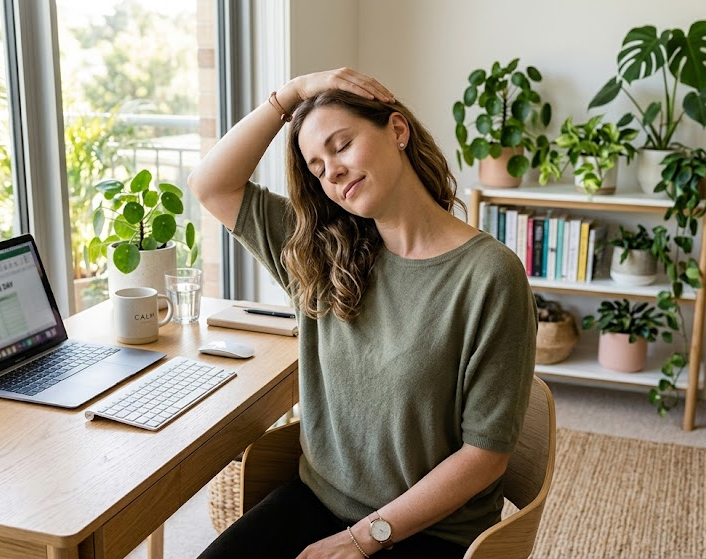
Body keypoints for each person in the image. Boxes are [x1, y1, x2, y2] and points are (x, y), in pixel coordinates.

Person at [189, 68, 537, 558]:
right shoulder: (319, 253)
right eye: (315, 167)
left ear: (397, 130)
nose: (330, 171)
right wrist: (292, 94)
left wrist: (363, 538)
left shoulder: (489, 275)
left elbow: (485, 455)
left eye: (341, 145)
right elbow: (211, 185)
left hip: (429, 531)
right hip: (317, 502)